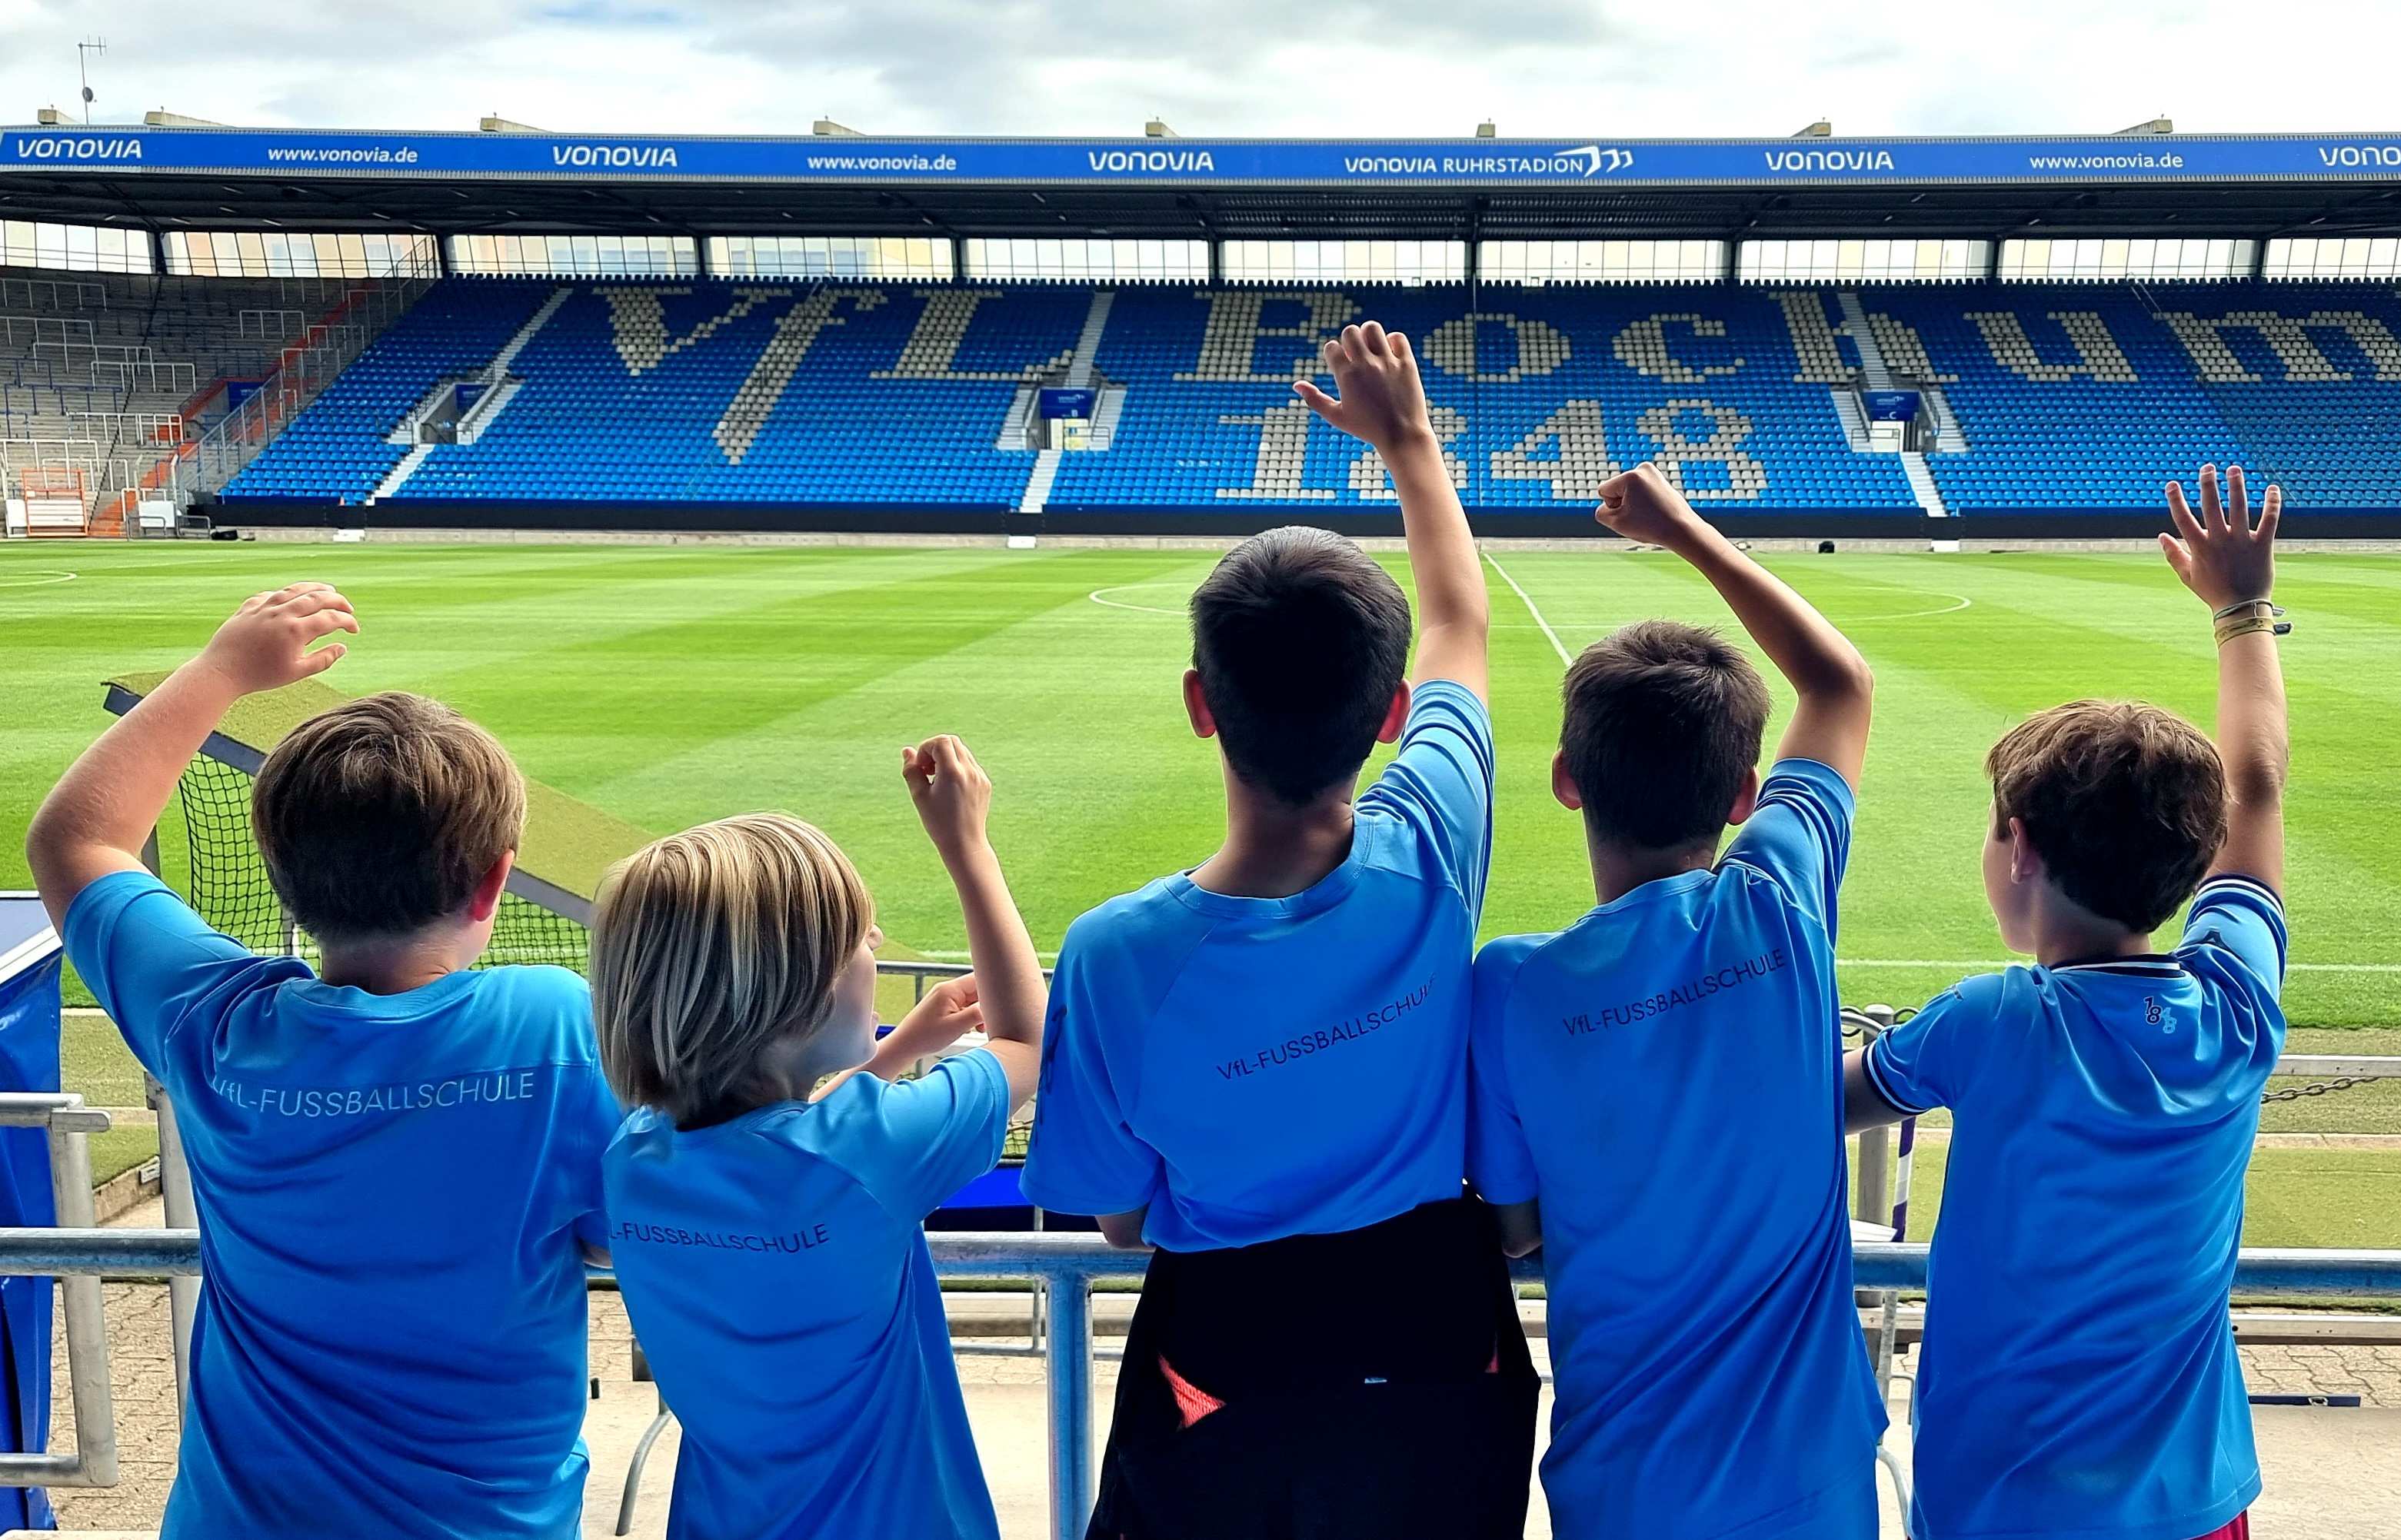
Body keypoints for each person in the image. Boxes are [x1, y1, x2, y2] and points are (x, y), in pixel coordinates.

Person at [1021, 321, 1531, 1538]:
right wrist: (1408, 440)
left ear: (1201, 705)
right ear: (1391, 713)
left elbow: (1119, 1214)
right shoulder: (1432, 849)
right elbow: (1461, 620)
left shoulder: (1114, 953)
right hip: (1437, 1328)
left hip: (1223, 1344)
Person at [24, 583, 618, 1538]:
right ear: (496, 878)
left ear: (277, 873)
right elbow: (643, 1224)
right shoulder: (558, 1027)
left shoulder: (216, 1025)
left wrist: (222, 671)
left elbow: (77, 839)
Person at [1849, 466, 2291, 1540]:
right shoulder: (2234, 1000)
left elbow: (1826, 1098)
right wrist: (2240, 610)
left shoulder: (1993, 1021)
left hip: (2001, 1504)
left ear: (2022, 852)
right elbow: (2260, 787)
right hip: (2192, 1502)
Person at [1467, 464, 1883, 1540]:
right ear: (1744, 798)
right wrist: (1683, 531)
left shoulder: (1508, 984)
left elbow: (1517, 1227)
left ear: (1566, 778)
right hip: (1812, 1472)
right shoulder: (1778, 900)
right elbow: (1835, 684)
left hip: (1623, 1479)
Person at [592, 737, 1043, 1540]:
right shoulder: (867, 1150)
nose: (875, 950)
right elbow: (1026, 1044)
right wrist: (966, 846)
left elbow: (771, 1147)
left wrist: (892, 1051)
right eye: (861, 937)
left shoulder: (635, 1157)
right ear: (799, 996)